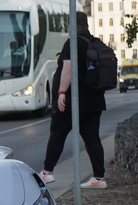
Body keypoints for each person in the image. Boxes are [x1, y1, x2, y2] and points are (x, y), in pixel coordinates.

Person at [40, 11, 108, 189]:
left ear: (71, 25)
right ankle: (99, 178)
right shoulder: (95, 42)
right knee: (92, 138)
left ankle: (47, 173)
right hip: (94, 99)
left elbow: (68, 68)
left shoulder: (72, 42)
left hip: (72, 101)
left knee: (57, 134)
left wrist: (61, 92)